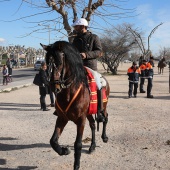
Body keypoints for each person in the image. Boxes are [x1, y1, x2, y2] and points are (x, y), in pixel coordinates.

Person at [72, 18, 104, 122]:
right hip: (77, 67)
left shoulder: (94, 37)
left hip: (90, 66)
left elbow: (99, 52)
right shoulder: (75, 40)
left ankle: (100, 111)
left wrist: (86, 55)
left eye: (76, 27)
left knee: (99, 84)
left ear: (82, 27)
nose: (75, 29)